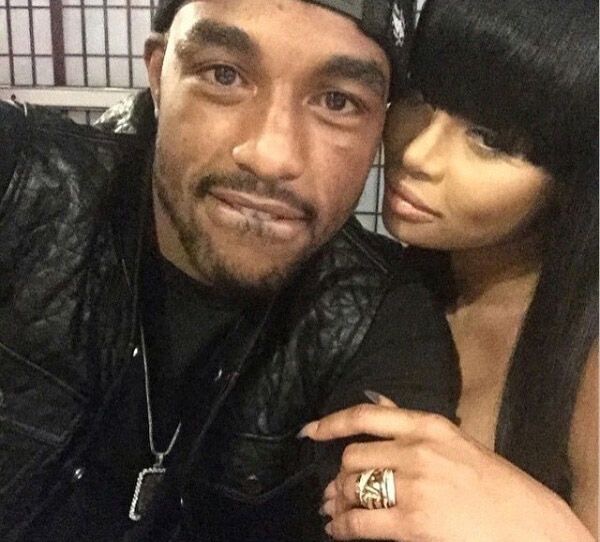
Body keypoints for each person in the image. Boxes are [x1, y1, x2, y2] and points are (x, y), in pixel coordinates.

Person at [0, 1, 460, 541]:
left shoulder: (379, 318)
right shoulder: (20, 188)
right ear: (159, 75)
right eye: (224, 75)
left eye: (337, 101)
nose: (271, 156)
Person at [301, 0, 599, 539]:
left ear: (571, 179)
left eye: (489, 138)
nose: (418, 153)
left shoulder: (587, 360)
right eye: (420, 96)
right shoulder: (377, 285)